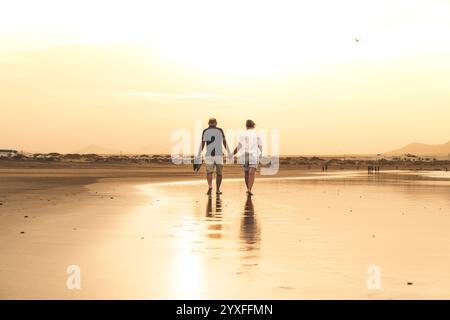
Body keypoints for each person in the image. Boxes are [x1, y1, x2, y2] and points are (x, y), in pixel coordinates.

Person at [197, 118, 230, 195]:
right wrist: (228, 151)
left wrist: (199, 154)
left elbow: (202, 143)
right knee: (219, 173)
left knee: (209, 172)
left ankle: (210, 186)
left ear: (208, 123)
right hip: (219, 155)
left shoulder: (205, 131)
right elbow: (224, 142)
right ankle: (218, 190)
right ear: (216, 123)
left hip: (209, 155)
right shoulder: (220, 130)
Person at [232, 120, 262, 196]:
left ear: (246, 125)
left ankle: (248, 189)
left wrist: (232, 154)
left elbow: (239, 146)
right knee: (251, 173)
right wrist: (261, 154)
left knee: (247, 172)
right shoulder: (256, 134)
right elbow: (260, 145)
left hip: (245, 155)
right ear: (253, 125)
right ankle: (249, 189)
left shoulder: (244, 134)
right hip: (253, 155)